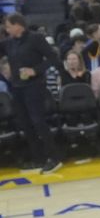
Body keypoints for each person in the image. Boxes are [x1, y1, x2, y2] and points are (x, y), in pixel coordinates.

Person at [0, 13, 62, 173]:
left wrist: (35, 70)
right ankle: (38, 158)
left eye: (8, 26)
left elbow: (53, 58)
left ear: (17, 25)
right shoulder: (8, 43)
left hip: (34, 86)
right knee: (25, 124)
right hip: (17, 88)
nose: (6, 30)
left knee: (38, 122)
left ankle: (53, 158)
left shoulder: (36, 38)